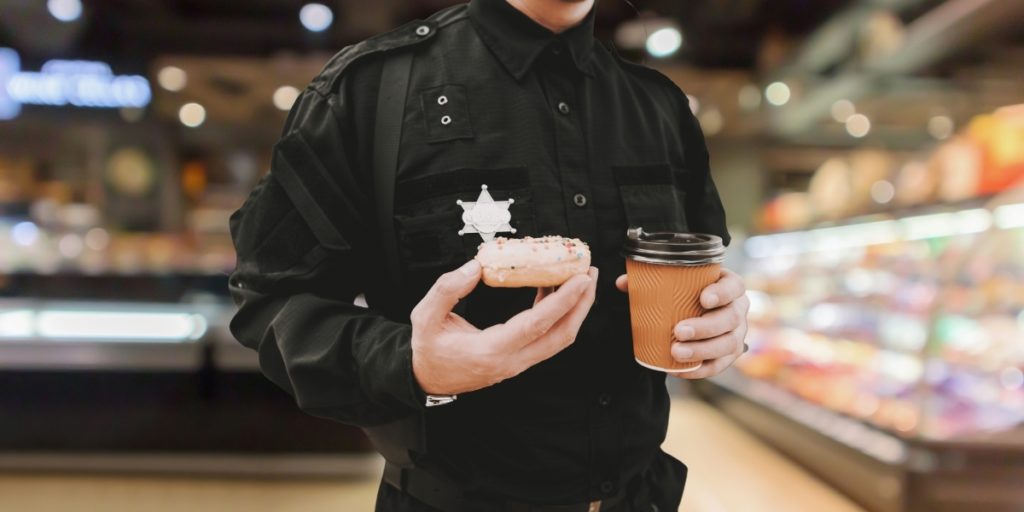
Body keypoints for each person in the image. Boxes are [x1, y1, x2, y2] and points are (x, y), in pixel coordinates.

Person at [228, 0, 749, 510]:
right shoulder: (372, 90)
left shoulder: (659, 106)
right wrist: (410, 363)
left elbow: (709, 279)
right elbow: (272, 299)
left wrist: (722, 324)